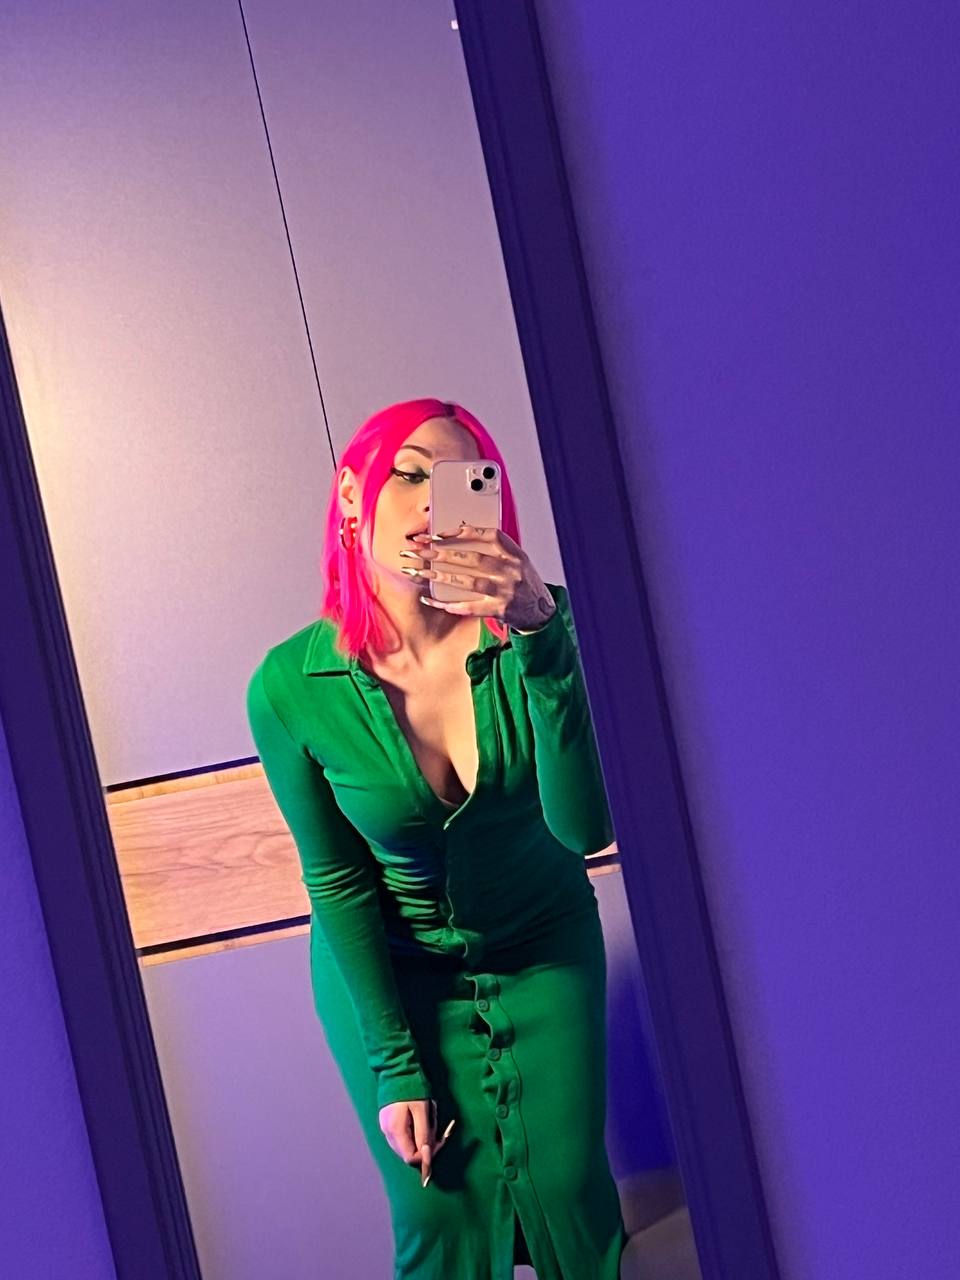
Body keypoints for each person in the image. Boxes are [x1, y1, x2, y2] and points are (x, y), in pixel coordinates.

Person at [246, 398, 630, 1278]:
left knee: (570, 1194)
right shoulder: (288, 685)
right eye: (409, 474)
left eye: (459, 479)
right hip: (393, 971)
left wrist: (540, 635)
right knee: (437, 1210)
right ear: (353, 495)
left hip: (544, 948)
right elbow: (336, 881)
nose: (430, 500)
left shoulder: (550, 628)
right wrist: (395, 1065)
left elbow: (585, 830)